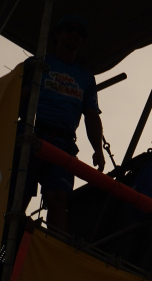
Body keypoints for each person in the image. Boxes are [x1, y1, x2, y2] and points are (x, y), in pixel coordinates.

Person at [19, 14, 105, 232]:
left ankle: (54, 250)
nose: (74, 36)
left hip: (63, 143)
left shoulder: (85, 77)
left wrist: (98, 149)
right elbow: (17, 96)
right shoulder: (38, 63)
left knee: (58, 199)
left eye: (79, 33)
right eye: (69, 30)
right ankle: (7, 247)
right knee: (17, 196)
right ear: (57, 34)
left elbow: (91, 114)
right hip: (31, 134)